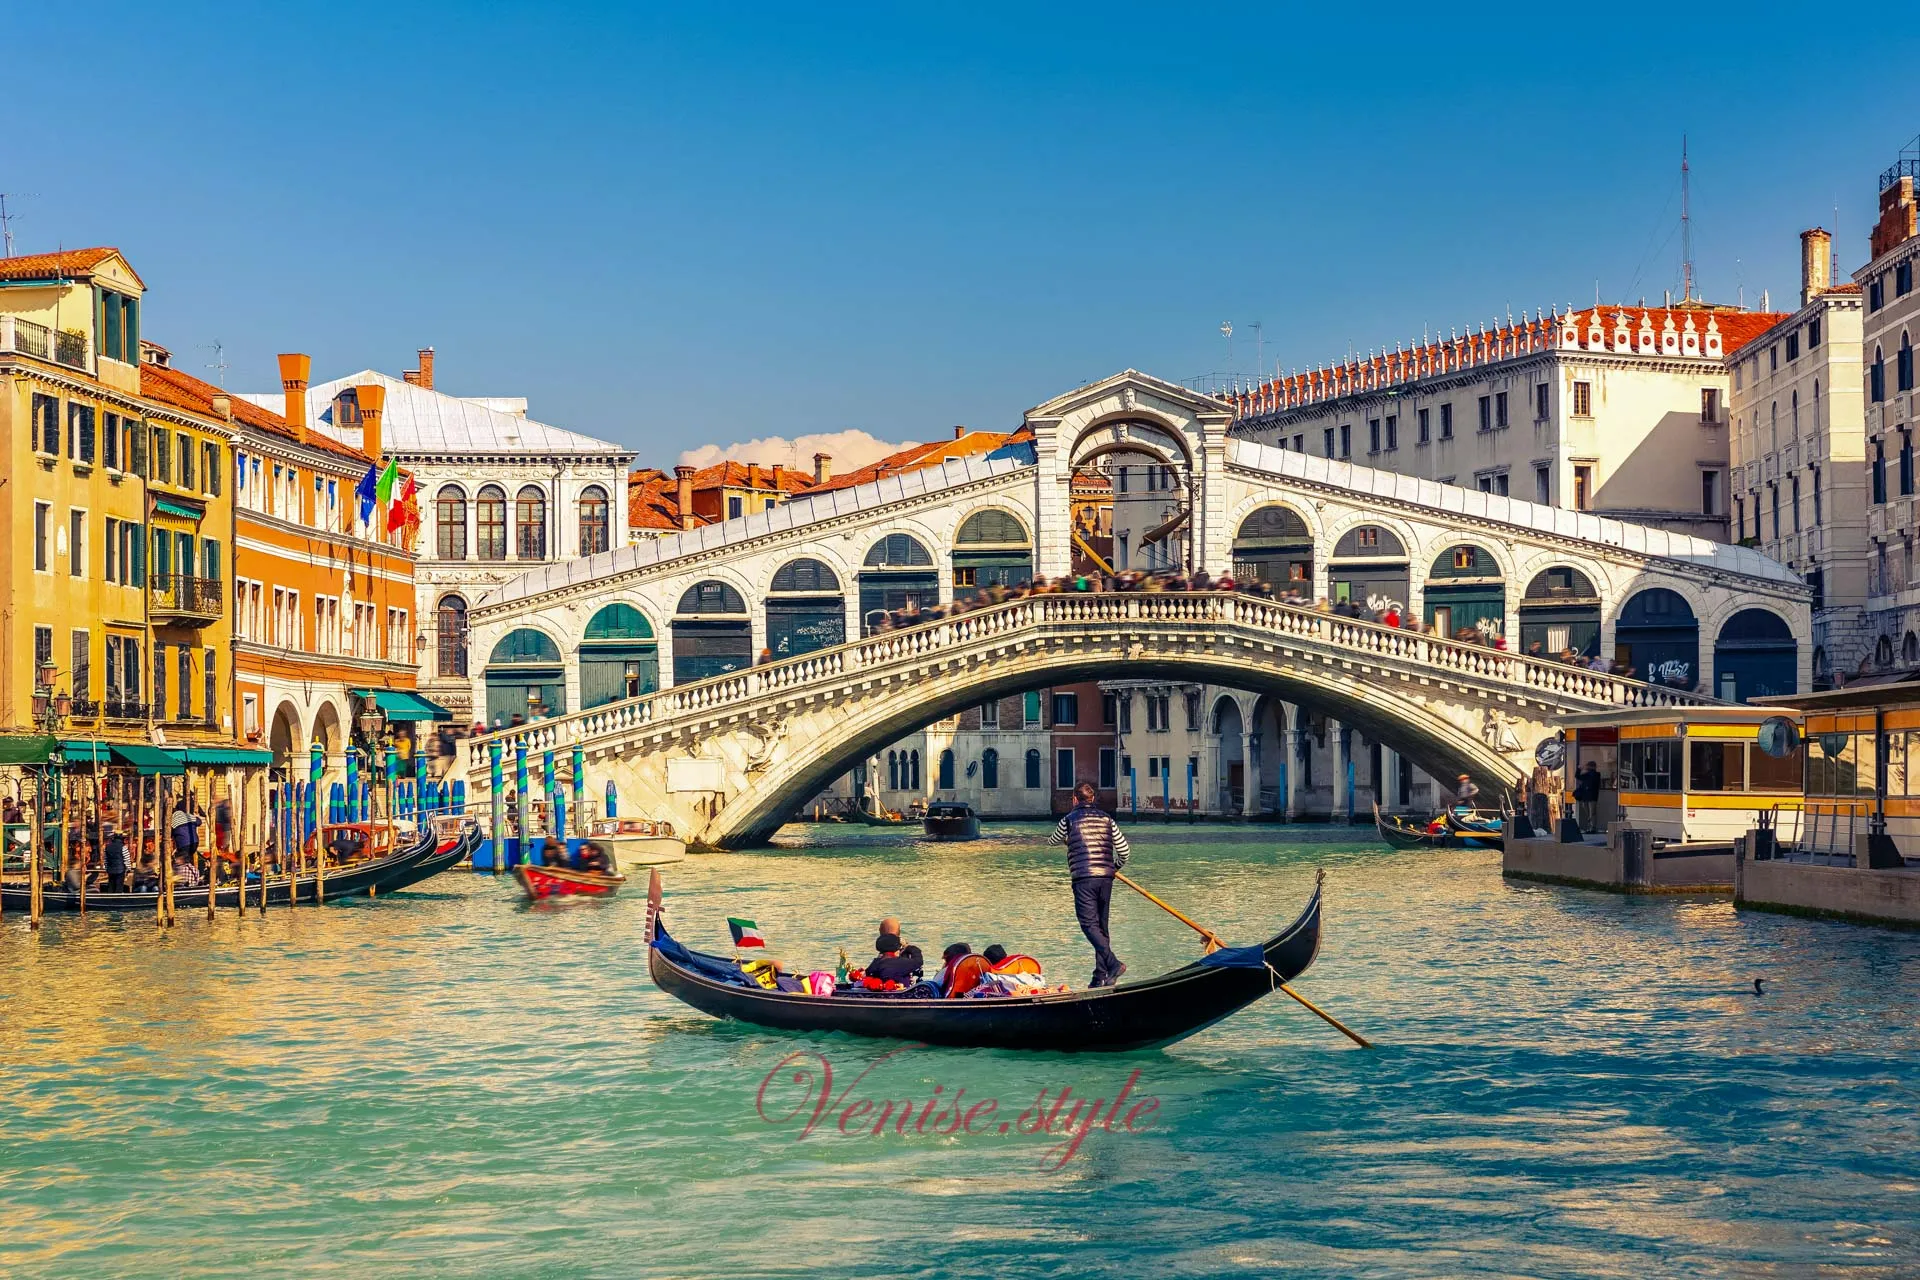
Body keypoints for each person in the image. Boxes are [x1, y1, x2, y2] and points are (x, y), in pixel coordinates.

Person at [1048, 781, 1131, 988]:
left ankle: (1113, 964)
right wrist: (1114, 867)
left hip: (1083, 879)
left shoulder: (1068, 820)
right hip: (1106, 878)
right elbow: (1125, 852)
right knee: (1101, 927)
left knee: (1088, 925)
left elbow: (1052, 841)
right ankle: (1100, 976)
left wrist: (1067, 839)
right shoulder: (1107, 819)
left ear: (1074, 799)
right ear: (1092, 799)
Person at [1573, 760, 1603, 833]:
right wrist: (1580, 769)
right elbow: (1577, 776)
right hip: (1588, 795)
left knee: (1592, 812)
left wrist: (1580, 769)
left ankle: (1592, 827)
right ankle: (1591, 826)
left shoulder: (1594, 774)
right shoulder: (1589, 775)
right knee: (1590, 811)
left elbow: (1578, 776)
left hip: (1591, 795)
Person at [103, 827, 129, 893]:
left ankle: (110, 899)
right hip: (120, 870)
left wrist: (107, 868)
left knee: (111, 885)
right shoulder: (123, 847)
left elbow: (105, 859)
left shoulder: (107, 847)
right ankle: (118, 900)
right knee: (119, 886)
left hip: (110, 870)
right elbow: (127, 859)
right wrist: (128, 868)